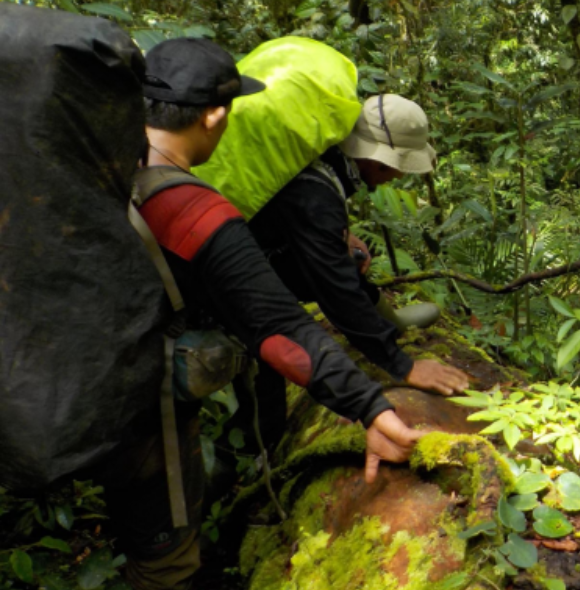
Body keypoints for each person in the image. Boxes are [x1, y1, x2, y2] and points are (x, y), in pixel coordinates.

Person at [122, 38, 427, 589]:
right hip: (141, 396)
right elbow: (280, 325)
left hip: (57, 382)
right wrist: (379, 397)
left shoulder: (102, 166)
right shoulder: (199, 210)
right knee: (167, 555)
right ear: (215, 117)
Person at [247, 94, 469, 399]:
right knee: (266, 395)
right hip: (234, 283)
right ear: (379, 161)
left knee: (347, 257)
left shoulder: (324, 156)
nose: (400, 175)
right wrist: (403, 366)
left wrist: (340, 234)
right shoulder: (316, 199)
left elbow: (300, 217)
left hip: (261, 249)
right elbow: (336, 291)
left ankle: (389, 320)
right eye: (400, 166)